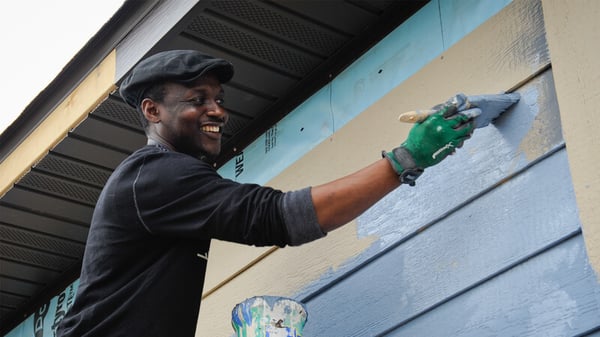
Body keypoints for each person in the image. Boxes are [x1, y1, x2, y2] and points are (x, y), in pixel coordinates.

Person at [57, 49, 474, 337]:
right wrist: (403, 160)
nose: (217, 110)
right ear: (152, 111)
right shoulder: (152, 176)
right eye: (197, 99)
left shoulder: (162, 181)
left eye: (218, 99)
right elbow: (277, 217)